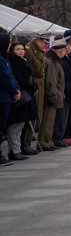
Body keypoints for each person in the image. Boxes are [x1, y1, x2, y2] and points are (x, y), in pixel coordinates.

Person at [6, 40, 37, 160]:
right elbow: (20, 78)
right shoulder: (14, 62)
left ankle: (18, 148)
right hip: (20, 95)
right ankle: (14, 150)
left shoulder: (25, 61)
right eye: (18, 49)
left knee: (21, 124)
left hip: (26, 95)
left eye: (22, 49)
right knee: (15, 125)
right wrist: (31, 87)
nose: (21, 51)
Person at [41, 38, 68, 151]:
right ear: (60, 50)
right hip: (52, 95)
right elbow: (51, 80)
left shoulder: (55, 61)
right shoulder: (51, 62)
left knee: (51, 120)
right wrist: (53, 95)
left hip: (56, 94)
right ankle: (44, 142)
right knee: (48, 120)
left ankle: (49, 141)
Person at [0, 33, 21, 165]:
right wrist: (15, 91)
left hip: (7, 96)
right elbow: (5, 77)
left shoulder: (4, 58)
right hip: (3, 97)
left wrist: (16, 90)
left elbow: (11, 76)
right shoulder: (1, 59)